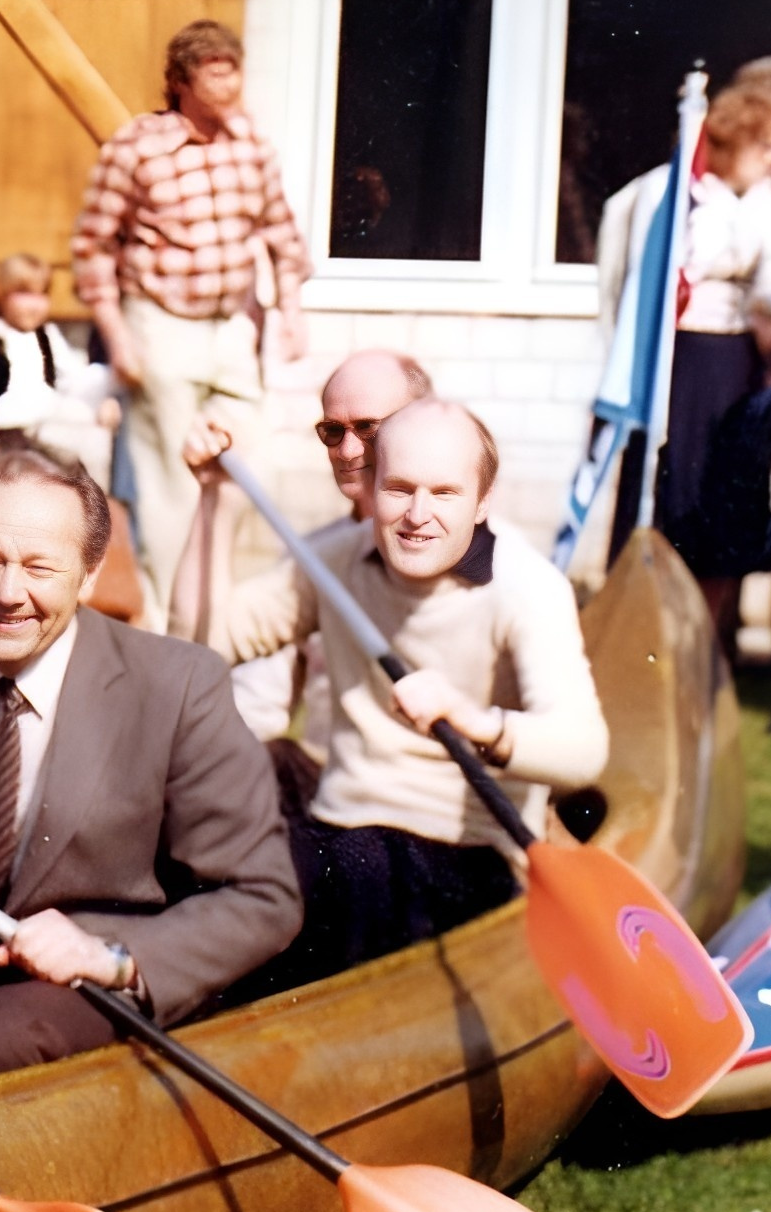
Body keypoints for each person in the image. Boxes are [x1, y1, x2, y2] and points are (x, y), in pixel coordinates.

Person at [0, 444, 300, 1082]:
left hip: (74, 984)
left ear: (89, 575)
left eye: (39, 567)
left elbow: (263, 898)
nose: (7, 593)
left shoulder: (177, 685)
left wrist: (109, 957)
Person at [189, 400, 608, 993]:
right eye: (400, 489)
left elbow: (584, 750)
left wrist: (474, 720)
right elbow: (205, 640)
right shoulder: (334, 563)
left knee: (358, 871)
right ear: (370, 488)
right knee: (221, 865)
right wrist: (215, 506)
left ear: (483, 501)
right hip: (340, 830)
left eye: (444, 493)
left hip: (466, 853)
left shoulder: (528, 587)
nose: (417, 515)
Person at [70, 20, 310, 608]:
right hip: (160, 324)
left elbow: (280, 229)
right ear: (181, 80)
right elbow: (94, 245)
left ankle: (214, 606)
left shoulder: (249, 144)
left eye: (235, 68)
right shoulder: (135, 148)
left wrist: (292, 309)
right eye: (214, 69)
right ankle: (167, 619)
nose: (229, 81)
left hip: (232, 329)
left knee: (245, 463)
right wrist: (117, 335)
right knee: (169, 486)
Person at [168, 347, 433, 776]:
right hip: (332, 805)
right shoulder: (316, 560)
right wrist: (217, 497)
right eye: (332, 431)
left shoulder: (480, 558)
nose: (347, 450)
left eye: (368, 428)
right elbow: (202, 649)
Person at [594, 70, 771, 630]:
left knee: (727, 507)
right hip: (677, 363)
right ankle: (643, 636)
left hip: (735, 365)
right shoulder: (672, 188)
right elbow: (643, 284)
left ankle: (707, 646)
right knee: (670, 493)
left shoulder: (761, 203)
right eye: (770, 144)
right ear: (738, 132)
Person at [0, 252, 112, 465]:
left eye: (42, 294)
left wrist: (106, 395)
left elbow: (75, 380)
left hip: (42, 440)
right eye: (25, 293)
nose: (35, 305)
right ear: (1, 295)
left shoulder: (47, 337)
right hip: (0, 444)